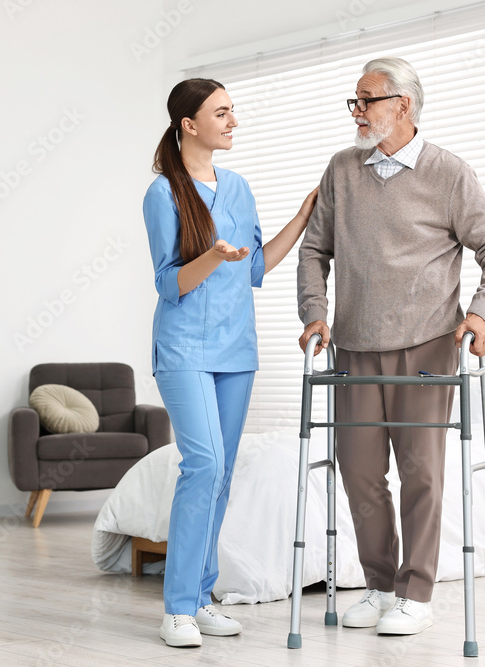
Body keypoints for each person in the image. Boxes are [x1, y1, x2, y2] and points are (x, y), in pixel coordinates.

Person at [296, 57, 485, 636]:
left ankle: (416, 591)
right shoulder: (343, 169)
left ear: (404, 106)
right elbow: (314, 250)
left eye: (368, 100)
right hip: (355, 344)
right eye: (356, 101)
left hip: (426, 344)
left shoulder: (448, 173)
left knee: (421, 471)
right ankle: (378, 584)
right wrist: (315, 314)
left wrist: (480, 312)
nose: (358, 111)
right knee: (360, 471)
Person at [144, 78, 317, 648]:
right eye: (221, 113)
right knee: (203, 466)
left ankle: (199, 597)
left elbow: (256, 267)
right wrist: (210, 255)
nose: (233, 121)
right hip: (185, 350)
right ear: (189, 124)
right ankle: (176, 610)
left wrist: (302, 216)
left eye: (233, 111)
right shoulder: (163, 194)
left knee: (219, 479)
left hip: (236, 351)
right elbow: (171, 284)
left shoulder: (239, 188)